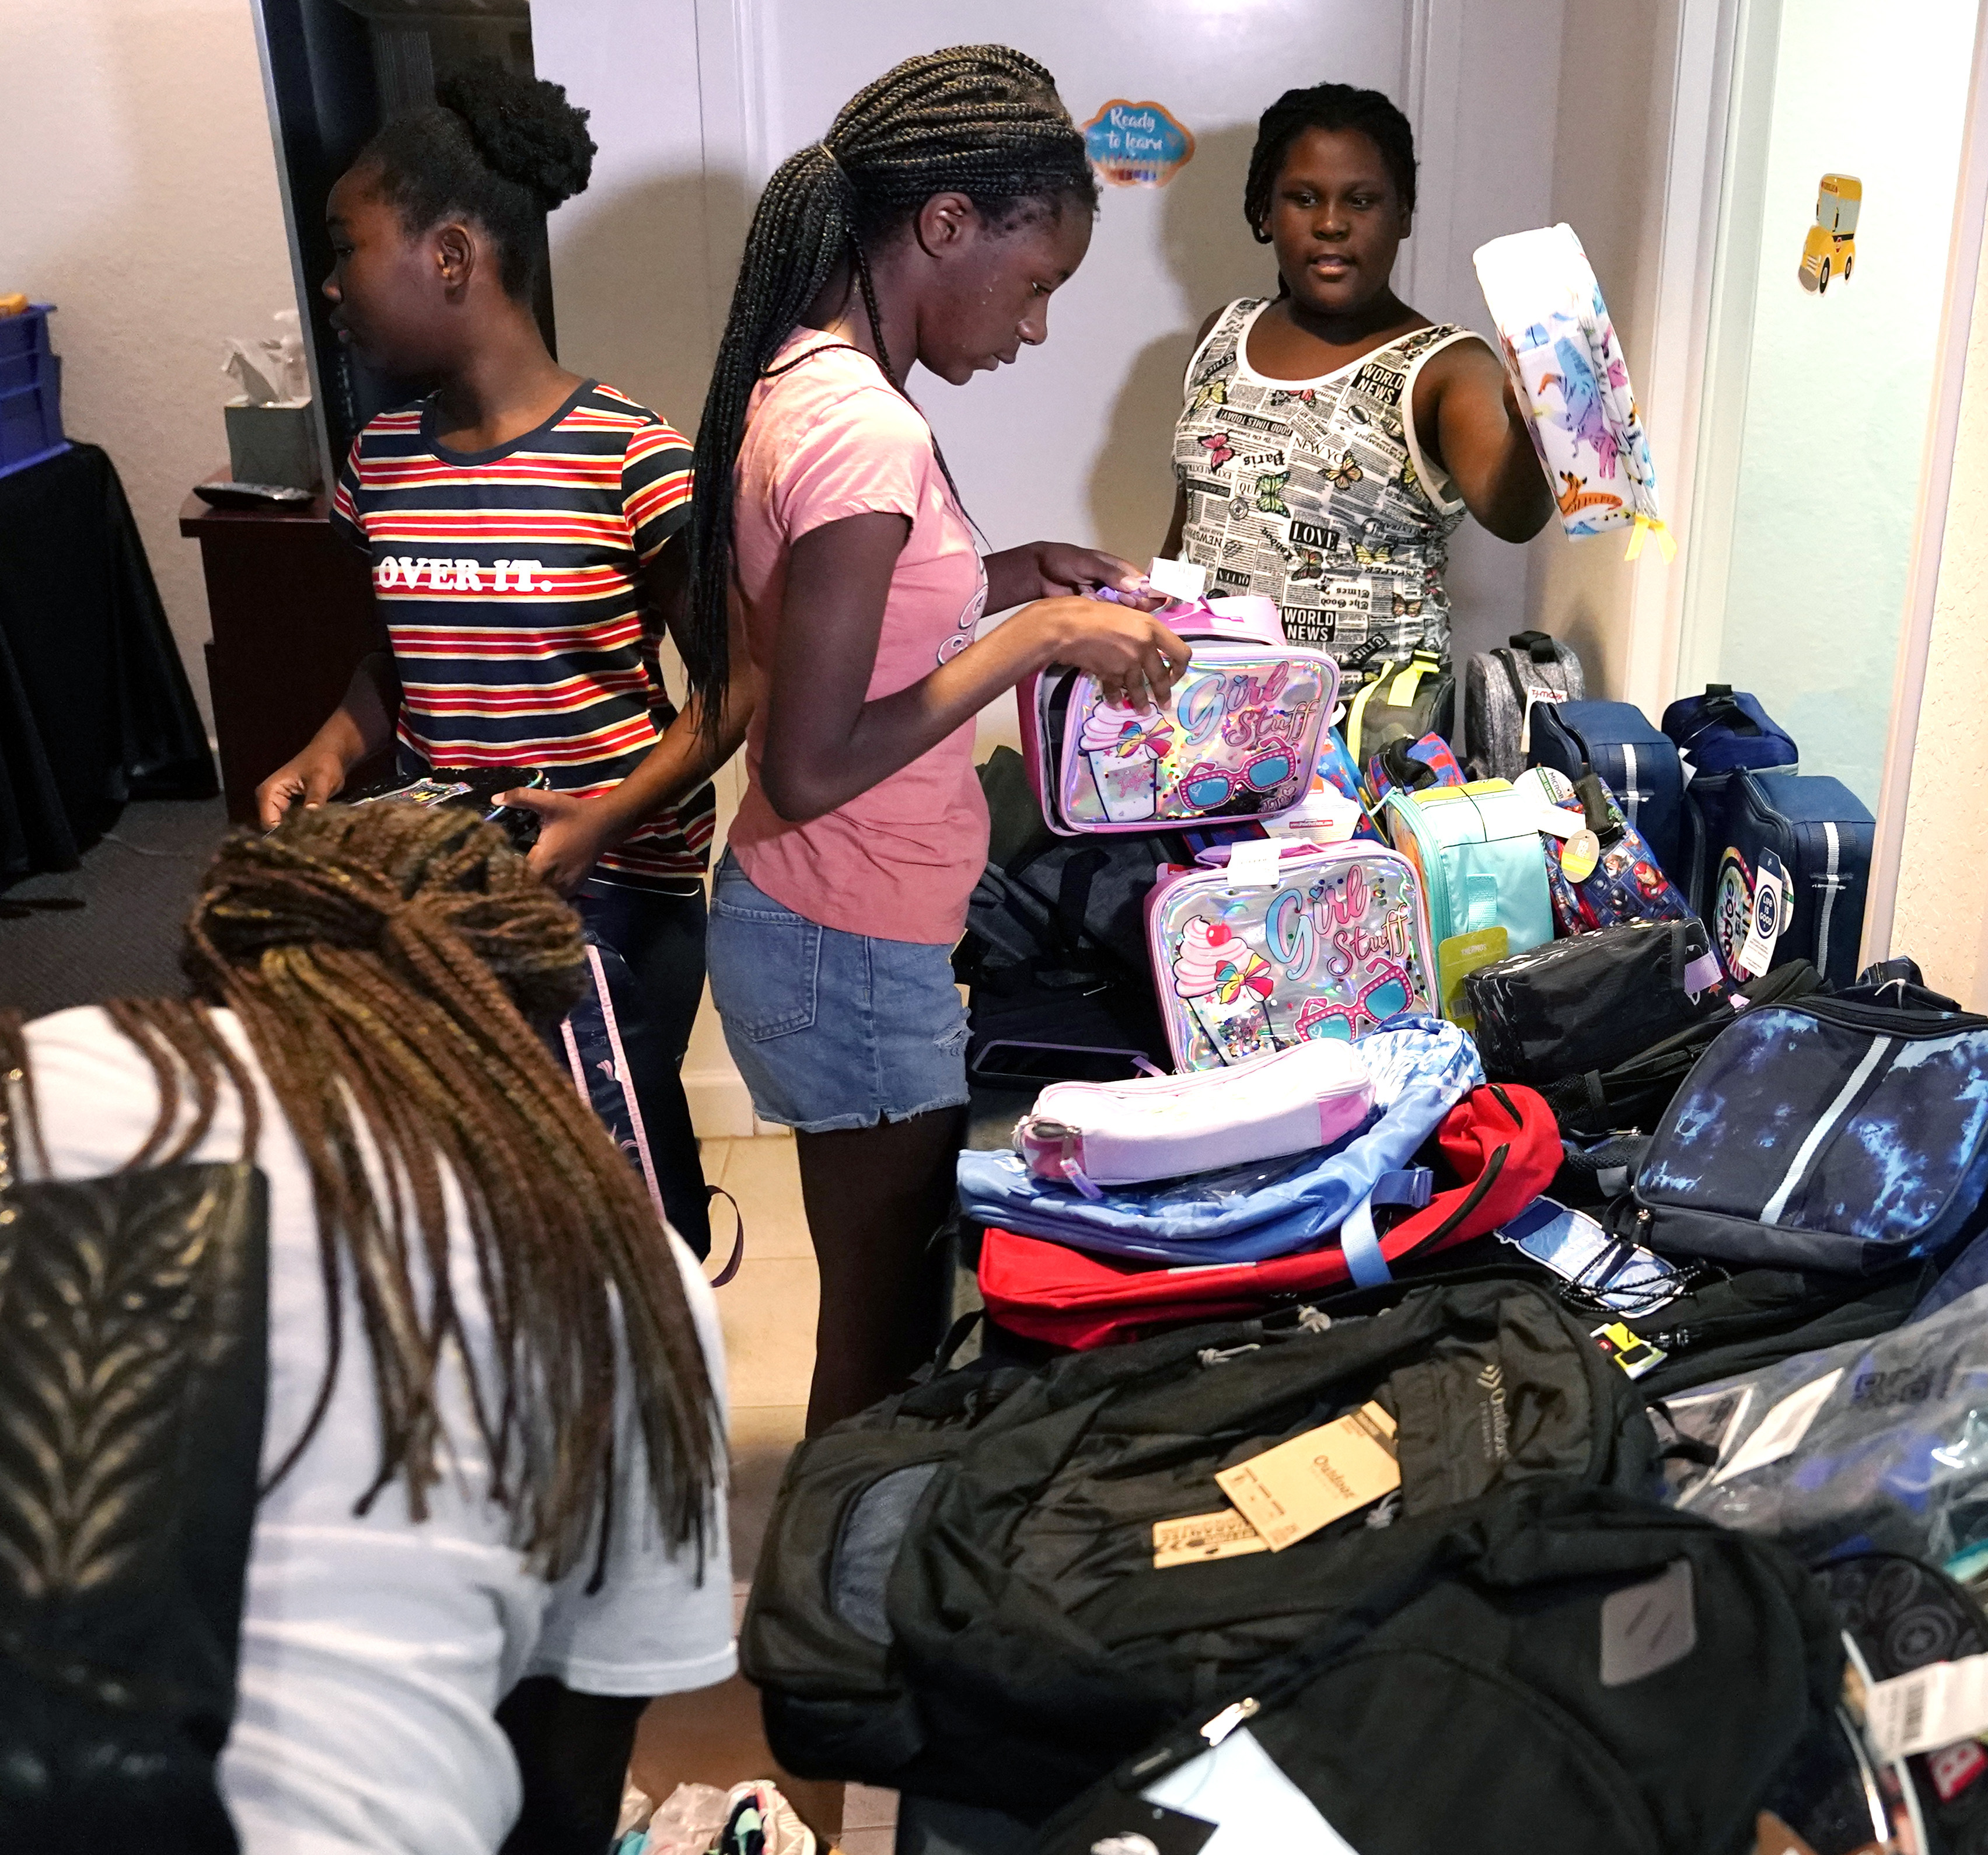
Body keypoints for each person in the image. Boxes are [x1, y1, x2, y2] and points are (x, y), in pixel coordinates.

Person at [2, 801, 731, 1855]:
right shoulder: (613, 1248)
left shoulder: (53, 1064)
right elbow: (570, 1775)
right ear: (526, 1003)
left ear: (230, 941)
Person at [675, 47, 1187, 1433]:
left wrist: (1011, 575)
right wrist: (1030, 641)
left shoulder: (815, 392)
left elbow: (868, 620)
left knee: (889, 1313)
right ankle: (824, 1641)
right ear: (946, 224)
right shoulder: (862, 437)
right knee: (885, 1347)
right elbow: (808, 760)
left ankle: (833, 1611)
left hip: (837, 929)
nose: (1030, 329)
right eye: (1036, 286)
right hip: (842, 945)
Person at [256, 62, 746, 1254]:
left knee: (618, 1179)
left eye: (346, 246)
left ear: (452, 257)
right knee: (492, 1184)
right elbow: (398, 664)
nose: (331, 283)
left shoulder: (629, 457)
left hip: (619, 892)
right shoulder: (380, 462)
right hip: (452, 882)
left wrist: (594, 823)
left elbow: (733, 693)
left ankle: (662, 1382)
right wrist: (324, 754)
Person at [1161, 83, 1556, 671]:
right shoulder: (1223, 332)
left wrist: (1530, 425)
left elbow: (1514, 516)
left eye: (1361, 201)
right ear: (1264, 212)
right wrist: (1150, 615)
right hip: (1204, 723)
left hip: (1370, 744)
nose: (1330, 224)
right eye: (1302, 198)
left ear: (1402, 215)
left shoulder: (1444, 365)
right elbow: (1191, 521)